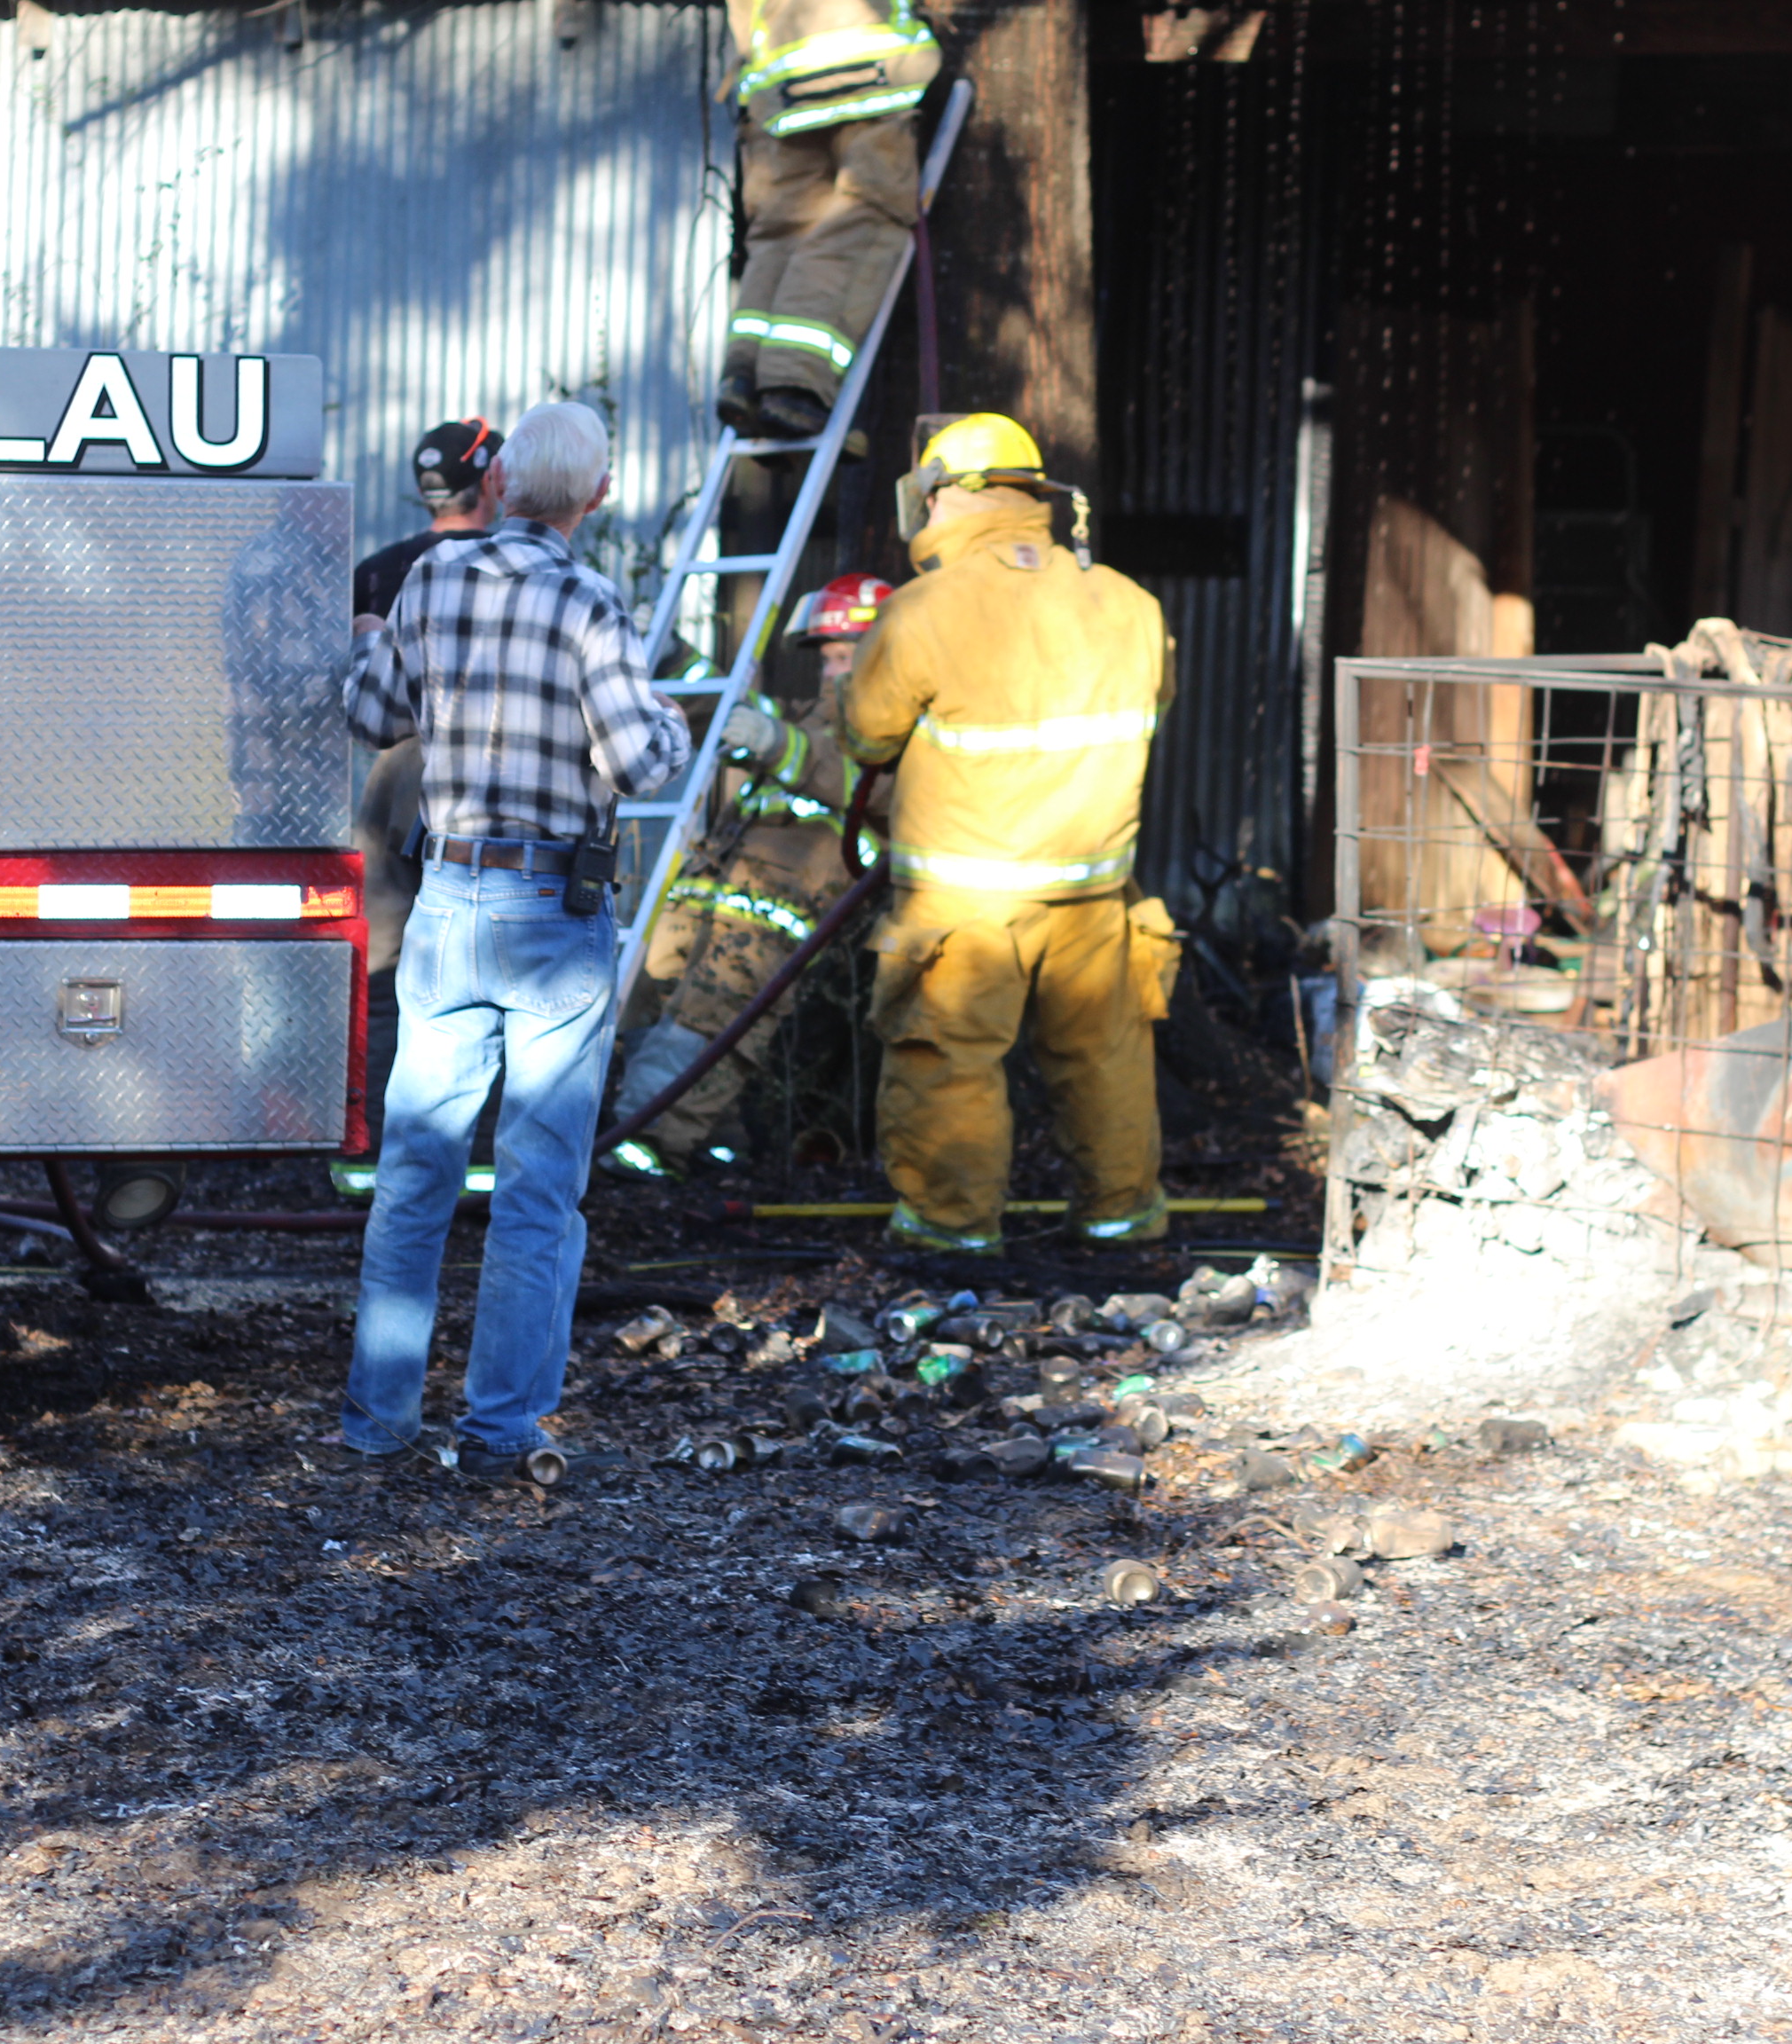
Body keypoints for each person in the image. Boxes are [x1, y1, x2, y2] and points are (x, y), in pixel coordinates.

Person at [339, 401, 692, 1479]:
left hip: (448, 901)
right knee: (536, 1191)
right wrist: (670, 719)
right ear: (598, 496)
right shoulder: (590, 601)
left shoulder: (432, 579)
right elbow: (640, 763)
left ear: (500, 486)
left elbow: (371, 715)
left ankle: (378, 1421)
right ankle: (498, 1432)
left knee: (414, 1178)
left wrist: (377, 648)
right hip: (553, 914)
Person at [840, 413, 1180, 1254]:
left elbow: (868, 737)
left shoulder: (922, 610)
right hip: (1094, 893)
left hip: (965, 902)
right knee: (1106, 1060)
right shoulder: (1130, 605)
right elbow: (1154, 706)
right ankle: (1122, 1217)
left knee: (945, 1062)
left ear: (942, 497)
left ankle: (951, 1228)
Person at [604, 573, 893, 1182]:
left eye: (845, 657)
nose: (831, 671)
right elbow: (728, 710)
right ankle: (710, 1140)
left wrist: (777, 745)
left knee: (712, 1015)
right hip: (711, 888)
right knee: (651, 998)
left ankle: (649, 1139)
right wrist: (671, 656)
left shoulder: (891, 737)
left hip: (778, 902)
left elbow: (872, 790)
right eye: (827, 658)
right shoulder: (810, 715)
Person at [334, 420, 508, 1201]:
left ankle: (366, 1157)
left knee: (381, 970)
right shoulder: (519, 567)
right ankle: (480, 1164)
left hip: (392, 777)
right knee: (490, 968)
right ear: (492, 479)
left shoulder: (378, 573)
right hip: (486, 778)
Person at [717, 0, 941, 441]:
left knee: (782, 233)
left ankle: (743, 374)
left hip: (779, 86)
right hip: (872, 70)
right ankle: (795, 383)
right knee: (865, 219)